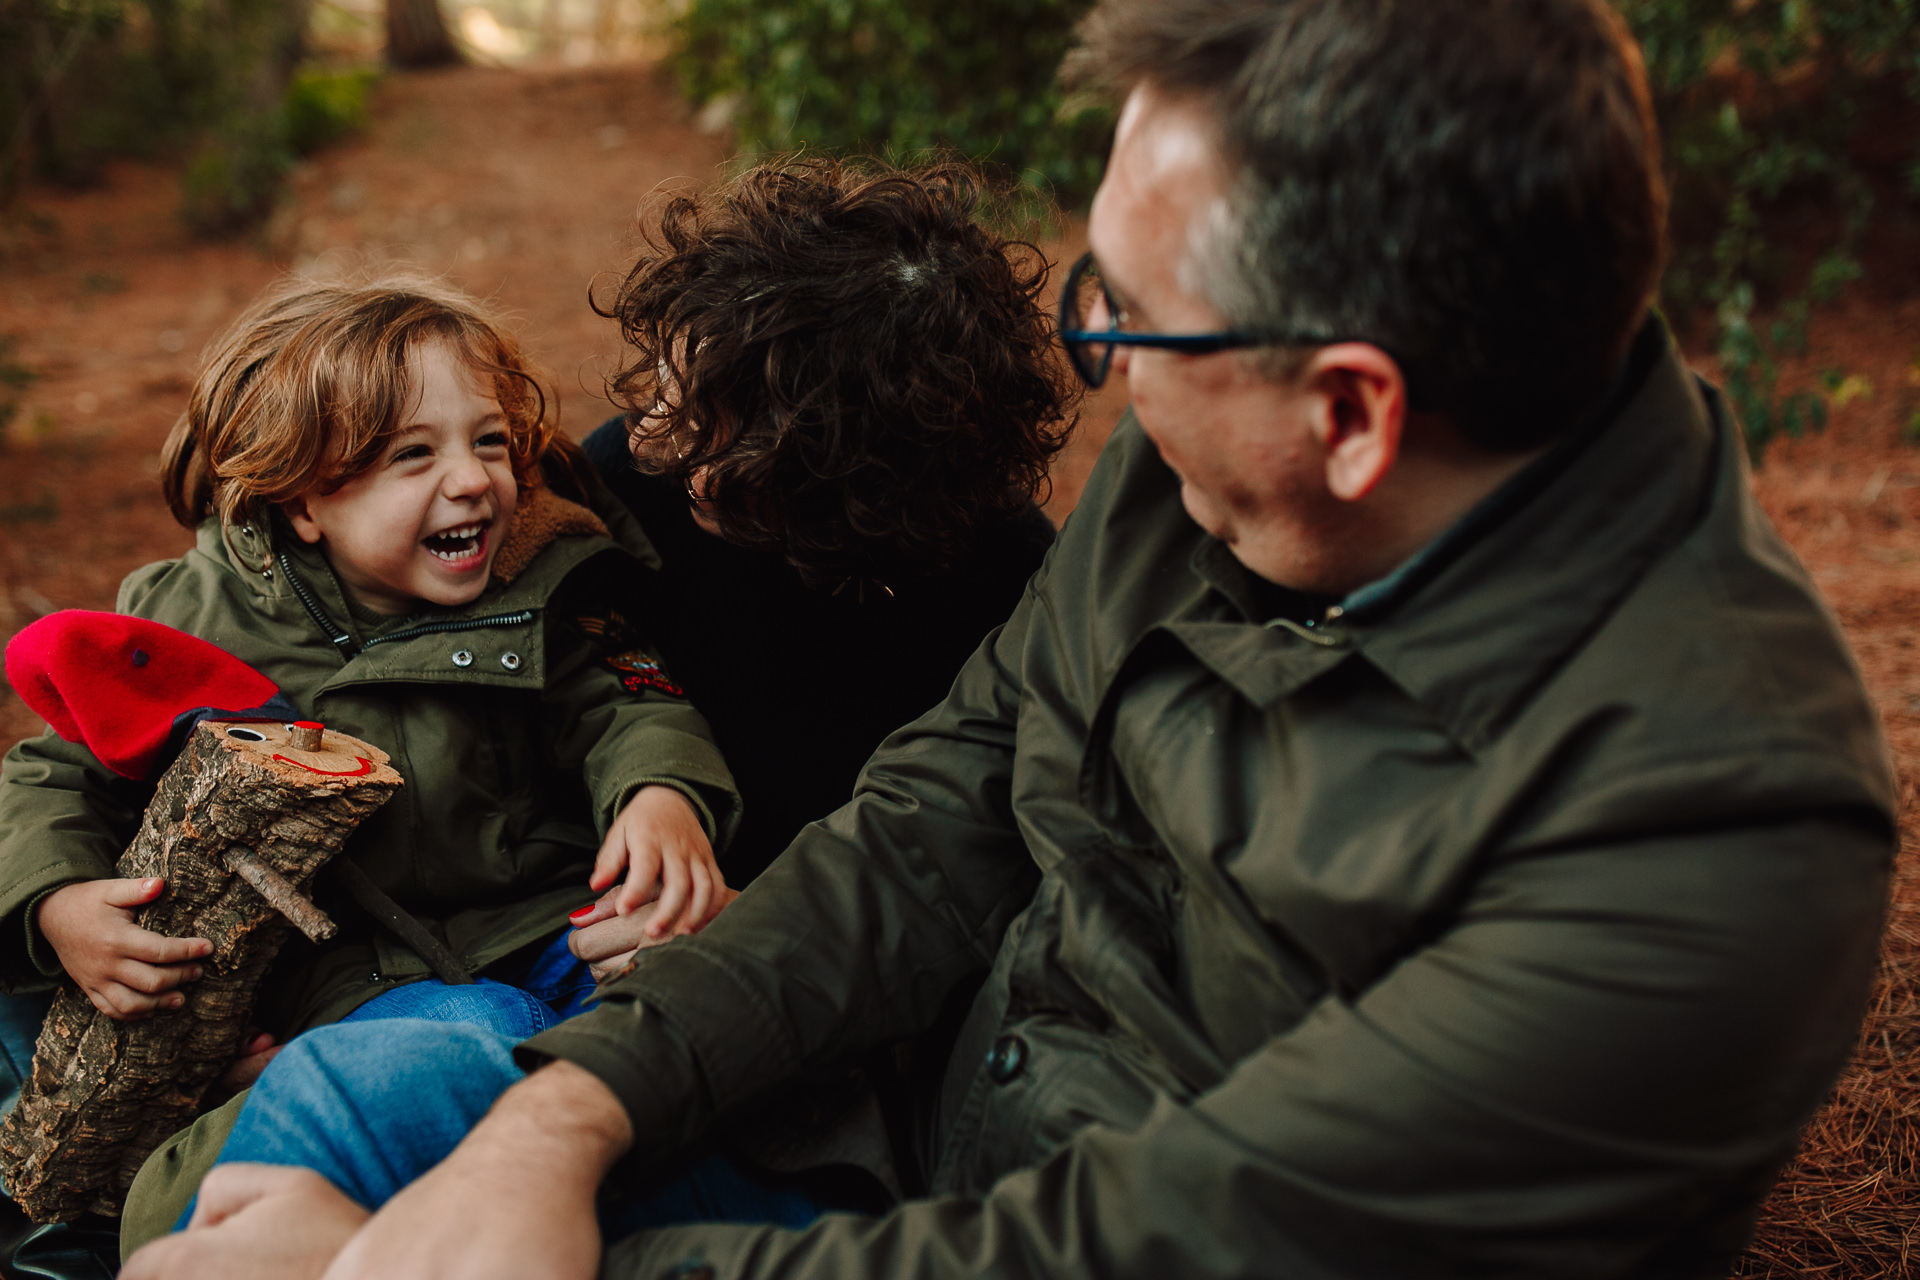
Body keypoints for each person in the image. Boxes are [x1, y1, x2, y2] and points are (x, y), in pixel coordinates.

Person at [123, 1, 1898, 1277]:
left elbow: (1139, 1244)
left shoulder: (1700, 844)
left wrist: (438, 1264)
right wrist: (565, 1117)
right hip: (881, 1134)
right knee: (386, 1102)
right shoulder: (1210, 474)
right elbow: (933, 820)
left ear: (1354, 410)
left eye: (1126, 316)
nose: (1089, 361)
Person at [0, 273, 742, 1078]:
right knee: (473, 1043)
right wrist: (57, 903)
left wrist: (662, 795)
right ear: (303, 501)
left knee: (706, 986)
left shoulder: (531, 579)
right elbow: (55, 777)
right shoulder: (194, 625)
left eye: (488, 440)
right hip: (351, 982)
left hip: (550, 923)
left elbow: (620, 705)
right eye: (414, 455)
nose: (470, 479)